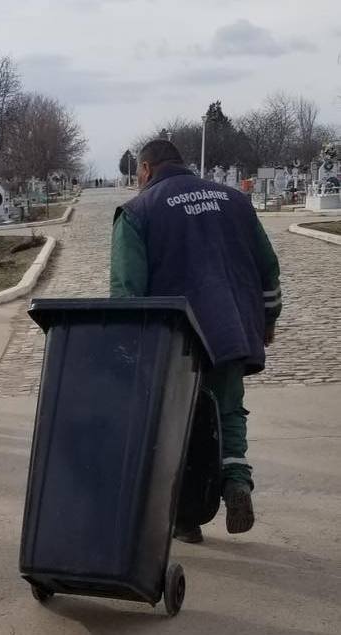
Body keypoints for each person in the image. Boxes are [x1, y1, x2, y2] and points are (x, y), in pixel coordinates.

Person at [110, 139, 282, 543]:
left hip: (176, 340)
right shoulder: (234, 201)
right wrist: (268, 318)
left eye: (138, 174)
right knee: (228, 410)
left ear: (147, 169)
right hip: (233, 327)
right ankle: (236, 482)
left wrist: (126, 350)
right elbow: (267, 266)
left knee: (177, 422)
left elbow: (126, 292)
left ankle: (185, 518)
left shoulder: (137, 212)